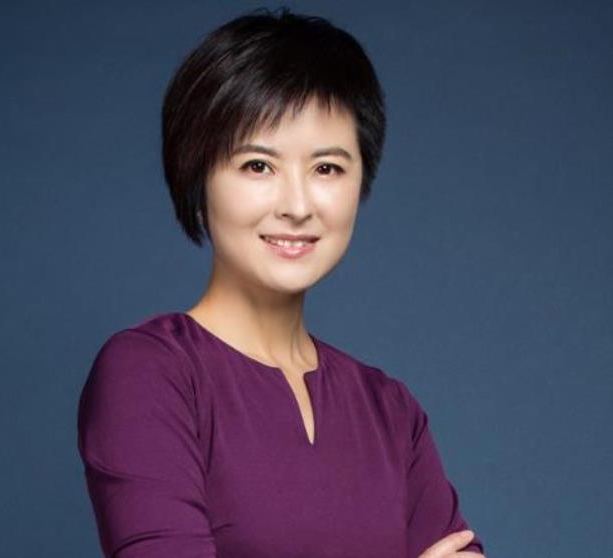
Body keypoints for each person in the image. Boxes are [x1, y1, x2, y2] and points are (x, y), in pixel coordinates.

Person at [77, 7, 487, 558]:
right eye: (258, 166)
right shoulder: (150, 373)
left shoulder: (390, 410)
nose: (297, 206)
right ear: (198, 174)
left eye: (327, 168)